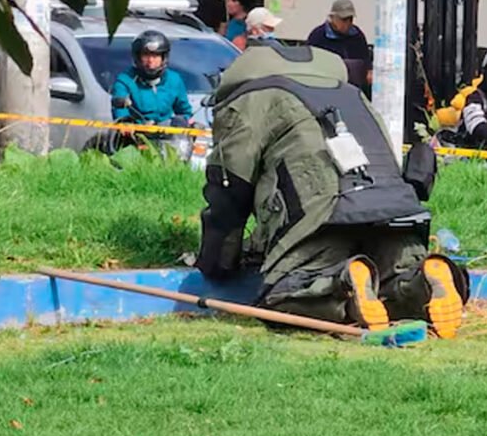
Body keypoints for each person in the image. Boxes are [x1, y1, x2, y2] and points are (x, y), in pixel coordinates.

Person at [196, 43, 470, 339]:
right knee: (392, 283)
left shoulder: (249, 101)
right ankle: (424, 279)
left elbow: (228, 187)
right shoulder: (353, 96)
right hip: (393, 207)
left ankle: (344, 285)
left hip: (320, 216)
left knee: (284, 298)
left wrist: (217, 263)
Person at [110, 30, 193, 125]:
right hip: (136, 134)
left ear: (163, 57)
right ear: (137, 57)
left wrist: (186, 122)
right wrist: (125, 122)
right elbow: (120, 109)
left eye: (156, 55)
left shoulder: (174, 79)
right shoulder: (125, 80)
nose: (151, 60)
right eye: (146, 55)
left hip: (167, 134)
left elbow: (184, 112)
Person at [306, 0, 373, 93]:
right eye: (344, 19)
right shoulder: (318, 36)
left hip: (353, 88)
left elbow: (365, 59)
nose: (348, 23)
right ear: (333, 17)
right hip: (326, 88)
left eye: (350, 19)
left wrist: (369, 71)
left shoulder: (357, 35)